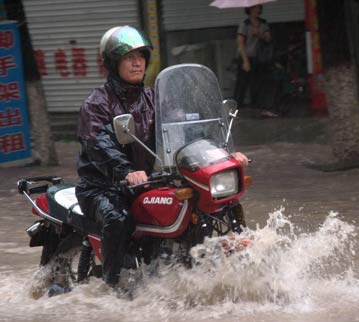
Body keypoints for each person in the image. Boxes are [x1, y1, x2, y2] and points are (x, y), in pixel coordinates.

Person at [75, 26, 249, 286]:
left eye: (141, 56)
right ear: (113, 63)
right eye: (128, 57)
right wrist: (125, 171)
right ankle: (113, 286)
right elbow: (99, 144)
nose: (137, 62)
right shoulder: (97, 104)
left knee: (208, 204)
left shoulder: (154, 98)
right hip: (103, 186)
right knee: (118, 217)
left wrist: (222, 154)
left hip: (151, 180)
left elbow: (188, 129)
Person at [234, 5, 278, 118]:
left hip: (259, 58)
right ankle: (235, 110)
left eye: (258, 8)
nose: (256, 10)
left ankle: (261, 108)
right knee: (242, 85)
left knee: (259, 84)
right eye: (254, 8)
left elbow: (268, 38)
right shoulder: (244, 24)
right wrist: (245, 61)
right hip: (246, 57)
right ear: (249, 10)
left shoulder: (263, 23)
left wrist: (259, 34)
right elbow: (240, 43)